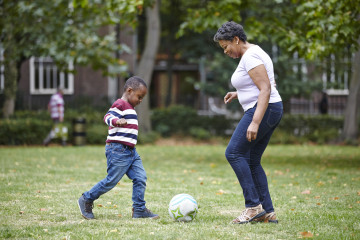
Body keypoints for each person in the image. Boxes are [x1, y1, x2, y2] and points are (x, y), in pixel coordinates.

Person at [213, 21, 283, 224]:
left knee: (233, 152)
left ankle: (253, 207)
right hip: (271, 108)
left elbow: (265, 88)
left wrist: (255, 121)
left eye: (226, 46)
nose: (225, 51)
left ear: (236, 39)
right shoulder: (254, 52)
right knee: (252, 160)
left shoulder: (250, 56)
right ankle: (267, 212)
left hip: (263, 110)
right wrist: (239, 93)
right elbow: (266, 83)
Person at [77, 76, 159, 220]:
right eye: (139, 97)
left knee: (140, 178)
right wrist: (116, 121)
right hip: (118, 150)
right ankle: (86, 199)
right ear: (129, 90)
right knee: (111, 181)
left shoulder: (131, 108)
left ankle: (139, 210)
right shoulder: (120, 104)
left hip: (131, 152)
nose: (140, 101)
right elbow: (107, 117)